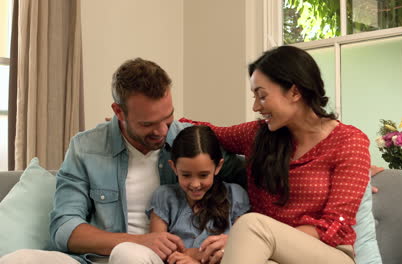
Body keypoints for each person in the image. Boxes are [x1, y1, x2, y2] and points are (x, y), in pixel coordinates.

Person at [0, 58, 244, 264]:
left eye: (167, 118)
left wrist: (235, 240)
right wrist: (138, 240)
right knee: (17, 259)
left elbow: (254, 179)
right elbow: (64, 228)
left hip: (159, 259)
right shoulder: (86, 147)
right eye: (147, 124)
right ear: (119, 112)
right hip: (96, 258)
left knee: (129, 255)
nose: (161, 131)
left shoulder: (189, 141)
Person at [183, 45, 371, 264]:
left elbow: (334, 226)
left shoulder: (349, 142)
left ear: (294, 92)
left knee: (250, 225)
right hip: (268, 253)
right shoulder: (257, 135)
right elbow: (208, 132)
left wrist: (247, 239)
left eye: (262, 96)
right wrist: (163, 124)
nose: (255, 107)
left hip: (329, 255)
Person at [148, 125, 249, 264]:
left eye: (203, 175)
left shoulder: (235, 195)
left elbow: (243, 249)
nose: (195, 184)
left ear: (218, 167)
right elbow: (157, 249)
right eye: (186, 175)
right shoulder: (164, 197)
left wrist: (194, 256)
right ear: (173, 167)